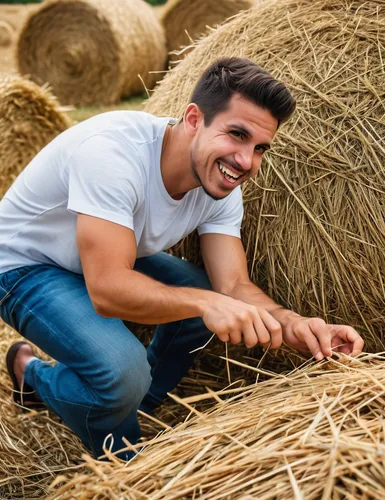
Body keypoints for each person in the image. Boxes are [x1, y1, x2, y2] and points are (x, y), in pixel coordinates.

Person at [0, 57, 364, 459]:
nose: (246, 162)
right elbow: (106, 290)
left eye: (260, 148)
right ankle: (57, 395)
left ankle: (126, 406)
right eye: (236, 134)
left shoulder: (222, 185)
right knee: (124, 369)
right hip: (25, 265)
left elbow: (233, 286)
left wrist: (295, 326)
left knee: (197, 305)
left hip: (106, 254)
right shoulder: (112, 156)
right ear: (193, 118)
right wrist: (208, 303)